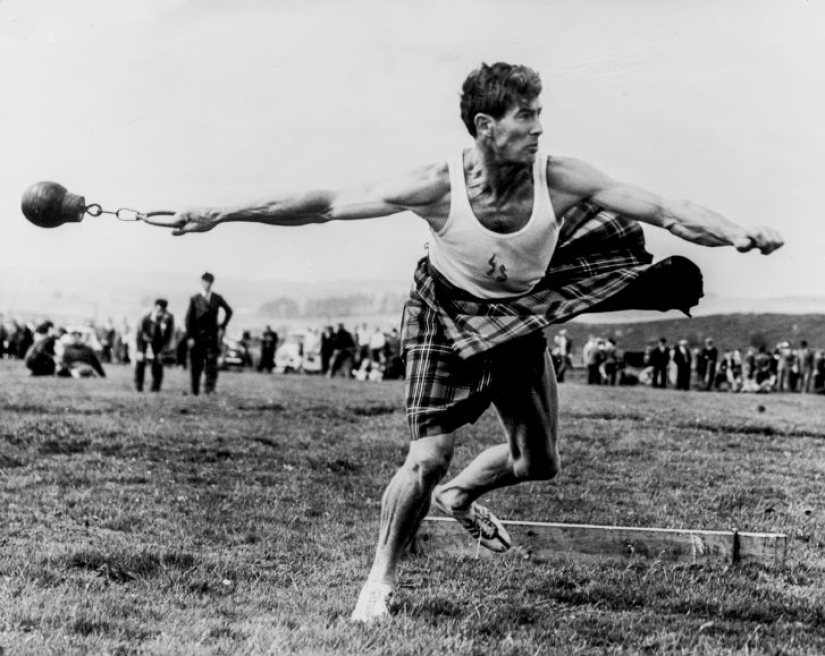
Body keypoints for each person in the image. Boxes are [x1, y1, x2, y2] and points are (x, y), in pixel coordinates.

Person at [168, 61, 783, 622]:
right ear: (486, 126)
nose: (540, 129)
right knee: (427, 457)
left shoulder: (561, 178)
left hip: (516, 316)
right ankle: (378, 584)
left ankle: (461, 496)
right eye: (527, 117)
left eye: (541, 114)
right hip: (443, 313)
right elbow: (325, 204)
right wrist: (220, 212)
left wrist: (734, 231)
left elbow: (666, 211)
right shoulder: (439, 185)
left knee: (538, 463)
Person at [184, 272, 233, 395]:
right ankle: (195, 391)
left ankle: (209, 390)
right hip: (196, 337)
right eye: (204, 282)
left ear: (212, 283)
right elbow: (188, 319)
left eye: (209, 282)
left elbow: (229, 311)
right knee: (196, 364)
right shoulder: (195, 299)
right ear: (201, 282)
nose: (206, 284)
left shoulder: (217, 298)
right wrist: (190, 336)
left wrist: (222, 325)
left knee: (211, 365)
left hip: (212, 336)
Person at [134, 299, 175, 392]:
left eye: (162, 310)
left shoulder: (168, 318)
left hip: (158, 344)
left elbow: (169, 335)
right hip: (145, 342)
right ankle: (138, 387)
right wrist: (140, 350)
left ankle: (155, 388)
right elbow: (139, 334)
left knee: (158, 365)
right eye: (158, 309)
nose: (160, 312)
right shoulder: (145, 318)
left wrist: (164, 350)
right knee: (140, 364)